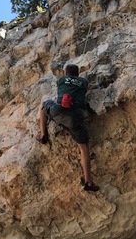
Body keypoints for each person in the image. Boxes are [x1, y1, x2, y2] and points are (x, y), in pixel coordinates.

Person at [36, 63, 99, 192]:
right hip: (74, 119)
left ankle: (43, 135)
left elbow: (66, 85)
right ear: (77, 73)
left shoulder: (61, 80)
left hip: (58, 112)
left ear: (66, 73)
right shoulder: (84, 81)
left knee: (44, 105)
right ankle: (88, 182)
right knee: (84, 149)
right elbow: (82, 84)